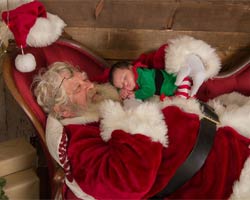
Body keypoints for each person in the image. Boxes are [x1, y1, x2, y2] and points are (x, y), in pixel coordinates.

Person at [33, 36, 250, 200]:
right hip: (213, 177)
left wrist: (183, 59)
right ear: (64, 111)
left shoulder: (100, 91)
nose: (89, 85)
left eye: (85, 78)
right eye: (78, 87)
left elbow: (141, 67)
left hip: (227, 133)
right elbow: (126, 182)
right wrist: (132, 120)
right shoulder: (81, 140)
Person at [109, 60, 194, 100]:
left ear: (131, 68)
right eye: (122, 85)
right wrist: (121, 91)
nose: (125, 84)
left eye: (124, 78)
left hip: (178, 80)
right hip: (171, 91)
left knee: (182, 100)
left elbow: (149, 90)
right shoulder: (134, 83)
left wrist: (135, 95)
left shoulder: (142, 75)